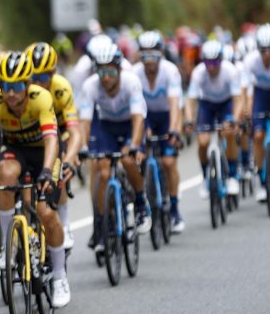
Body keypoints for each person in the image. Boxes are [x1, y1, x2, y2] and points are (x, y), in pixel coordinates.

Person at [0, 51, 70, 307]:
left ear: (27, 85)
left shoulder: (41, 98)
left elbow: (51, 139)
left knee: (46, 213)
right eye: (5, 86)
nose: (10, 93)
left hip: (43, 153)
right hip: (16, 152)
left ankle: (59, 276)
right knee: (4, 176)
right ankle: (8, 245)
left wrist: (48, 170)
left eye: (16, 86)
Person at [79, 43, 150, 248]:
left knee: (128, 160)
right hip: (107, 127)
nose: (106, 76)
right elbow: (85, 121)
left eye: (110, 70)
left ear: (119, 69)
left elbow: (138, 119)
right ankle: (103, 223)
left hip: (130, 125)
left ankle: (140, 202)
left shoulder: (131, 82)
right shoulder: (91, 85)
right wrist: (83, 147)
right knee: (101, 169)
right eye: (101, 71)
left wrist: (135, 144)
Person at [26, 41, 82, 249]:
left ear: (53, 73)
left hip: (59, 132)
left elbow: (74, 130)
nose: (38, 84)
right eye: (33, 78)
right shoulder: (24, 93)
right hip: (33, 137)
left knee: (61, 173)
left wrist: (68, 159)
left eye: (43, 78)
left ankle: (64, 224)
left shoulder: (61, 88)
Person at [134, 30, 186, 232]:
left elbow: (175, 105)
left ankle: (174, 210)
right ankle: (143, 198)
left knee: (169, 162)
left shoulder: (170, 71)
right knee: (138, 156)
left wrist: (174, 130)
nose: (149, 61)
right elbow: (135, 109)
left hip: (166, 117)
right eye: (145, 55)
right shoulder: (134, 73)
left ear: (161, 54)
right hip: (145, 117)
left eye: (153, 55)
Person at [184, 40, 243, 199]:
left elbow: (238, 100)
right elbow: (190, 101)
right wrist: (189, 120)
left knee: (229, 132)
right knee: (202, 142)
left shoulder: (230, 71)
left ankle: (232, 176)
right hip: (207, 105)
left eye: (215, 62)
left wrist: (235, 120)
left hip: (226, 103)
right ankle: (205, 177)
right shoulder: (198, 73)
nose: (211, 67)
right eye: (207, 62)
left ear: (221, 60)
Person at [243, 24, 270, 202]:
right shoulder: (251, 60)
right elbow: (245, 90)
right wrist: (246, 111)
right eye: (263, 50)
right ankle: (262, 180)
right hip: (260, 95)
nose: (267, 54)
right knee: (258, 136)